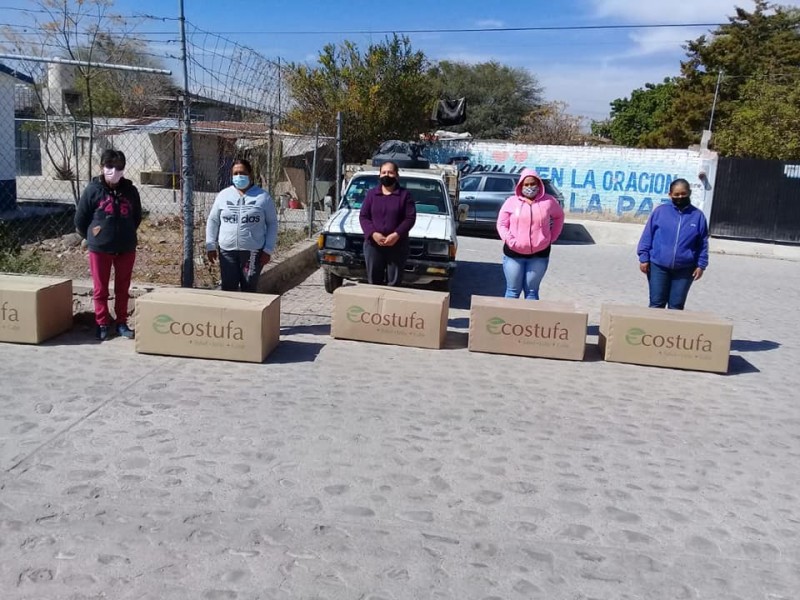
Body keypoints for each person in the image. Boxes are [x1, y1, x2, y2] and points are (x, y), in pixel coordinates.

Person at [75, 149, 142, 341]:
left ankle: (121, 322)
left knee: (123, 287)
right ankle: (102, 322)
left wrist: (126, 232)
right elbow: (80, 219)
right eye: (110, 166)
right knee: (100, 288)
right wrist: (94, 233)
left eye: (119, 167)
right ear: (102, 167)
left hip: (126, 247)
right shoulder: (92, 190)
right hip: (100, 248)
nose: (114, 171)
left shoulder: (131, 191)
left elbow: (136, 217)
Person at [206, 158, 278, 292]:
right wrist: (210, 244)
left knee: (249, 288)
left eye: (243, 173)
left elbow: (272, 223)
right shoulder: (223, 195)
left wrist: (268, 249)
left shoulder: (263, 197)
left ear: (250, 174)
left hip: (252, 253)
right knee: (228, 288)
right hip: (227, 251)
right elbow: (213, 220)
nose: (239, 176)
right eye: (235, 173)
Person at [637, 178, 709, 310]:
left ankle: (671, 331)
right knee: (656, 303)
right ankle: (653, 331)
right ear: (670, 195)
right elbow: (648, 235)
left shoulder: (698, 216)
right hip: (658, 266)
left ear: (689, 193)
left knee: (676, 306)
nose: (680, 197)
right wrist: (643, 258)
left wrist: (701, 265)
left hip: (685, 269)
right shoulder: (660, 212)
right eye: (676, 194)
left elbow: (703, 243)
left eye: (683, 194)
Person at [496, 168, 565, 299]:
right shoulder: (511, 202)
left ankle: (530, 320)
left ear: (538, 184)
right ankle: (510, 320)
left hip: (539, 255)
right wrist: (510, 240)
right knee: (512, 291)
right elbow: (501, 224)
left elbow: (559, 217)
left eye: (533, 184)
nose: (529, 187)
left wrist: (551, 237)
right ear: (520, 185)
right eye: (526, 184)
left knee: (532, 292)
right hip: (513, 255)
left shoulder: (549, 201)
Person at [359, 161, 417, 286]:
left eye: (390, 172)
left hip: (397, 246)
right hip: (373, 245)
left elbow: (410, 218)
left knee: (394, 283)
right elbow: (364, 216)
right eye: (384, 172)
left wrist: (396, 235)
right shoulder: (371, 195)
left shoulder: (405, 195)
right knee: (374, 282)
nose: (387, 175)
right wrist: (373, 233)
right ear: (379, 175)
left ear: (396, 175)